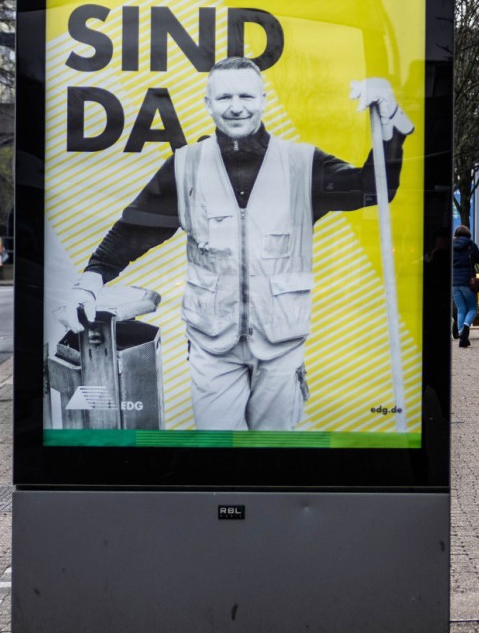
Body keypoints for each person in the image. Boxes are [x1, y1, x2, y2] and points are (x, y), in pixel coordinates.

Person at [52, 56, 413, 430]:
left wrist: (391, 125)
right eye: (224, 98)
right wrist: (89, 282)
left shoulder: (302, 164)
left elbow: (372, 189)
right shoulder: (185, 166)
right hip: (212, 346)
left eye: (246, 96)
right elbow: (132, 231)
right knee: (218, 451)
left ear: (262, 100)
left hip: (281, 344)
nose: (236, 107)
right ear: (208, 104)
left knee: (274, 455)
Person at [451, 225, 479, 348]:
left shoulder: (451, 246)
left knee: (461, 309)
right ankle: (465, 327)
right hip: (468, 282)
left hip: (454, 283)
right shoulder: (470, 245)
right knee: (472, 308)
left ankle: (462, 337)